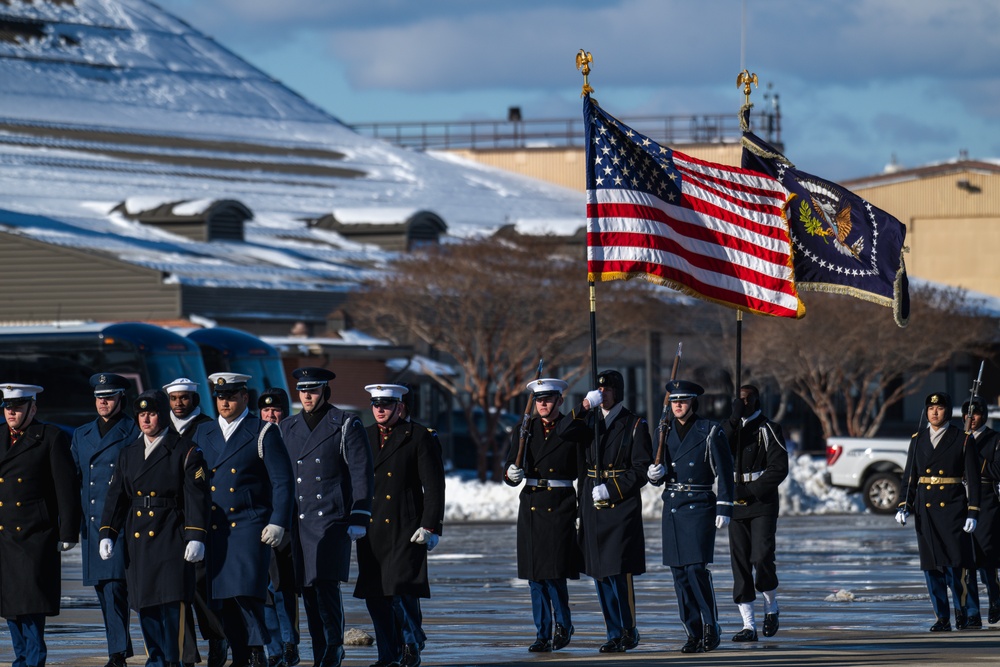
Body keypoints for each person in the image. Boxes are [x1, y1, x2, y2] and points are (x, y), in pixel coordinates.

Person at [99, 390, 211, 667]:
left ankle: (175, 659)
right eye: (141, 414)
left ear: (162, 415)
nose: (145, 419)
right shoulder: (129, 452)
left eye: (151, 413)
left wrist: (196, 535)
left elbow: (197, 497)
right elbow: (117, 497)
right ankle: (157, 659)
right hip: (139, 539)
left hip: (171, 534)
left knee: (172, 603)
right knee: (145, 604)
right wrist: (107, 533)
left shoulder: (185, 449)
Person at [193, 373, 295, 667]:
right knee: (221, 598)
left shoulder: (262, 431)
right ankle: (240, 652)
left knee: (246, 592)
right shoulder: (204, 433)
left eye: (232, 396)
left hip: (249, 525)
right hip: (215, 527)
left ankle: (256, 650)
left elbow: (283, 481)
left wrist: (278, 521)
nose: (225, 402)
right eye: (221, 397)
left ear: (244, 398)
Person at [280, 367, 373, 667]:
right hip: (299, 519)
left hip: (331, 518)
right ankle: (321, 647)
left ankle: (333, 646)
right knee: (306, 589)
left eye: (314, 390)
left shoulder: (345, 423)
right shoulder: (288, 427)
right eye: (303, 390)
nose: (308, 396)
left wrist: (359, 513)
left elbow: (361, 471)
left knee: (325, 585)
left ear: (325, 391)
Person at [355, 383, 445, 667]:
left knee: (400, 592)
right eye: (375, 404)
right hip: (372, 528)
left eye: (386, 404)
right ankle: (387, 653)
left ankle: (409, 645)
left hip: (405, 528)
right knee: (375, 595)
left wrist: (430, 525)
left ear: (399, 406)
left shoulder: (418, 436)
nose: (379, 409)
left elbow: (433, 486)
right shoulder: (364, 436)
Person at [563, 369, 651, 653]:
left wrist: (612, 489)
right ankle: (613, 632)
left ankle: (628, 629)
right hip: (591, 500)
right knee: (599, 572)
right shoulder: (589, 420)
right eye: (599, 390)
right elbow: (564, 430)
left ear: (619, 392)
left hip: (620, 504)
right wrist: (584, 405)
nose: (603, 394)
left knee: (618, 570)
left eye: (608, 390)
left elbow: (641, 471)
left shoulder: (635, 424)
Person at [646, 380, 734, 653]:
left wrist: (724, 506)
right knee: (679, 574)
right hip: (673, 505)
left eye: (683, 401)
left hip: (699, 505)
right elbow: (658, 468)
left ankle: (711, 625)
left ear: (693, 402)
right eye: (674, 401)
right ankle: (692, 631)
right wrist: (653, 475)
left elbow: (725, 472)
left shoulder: (709, 431)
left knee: (696, 569)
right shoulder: (664, 430)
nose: (678, 405)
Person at [502, 378, 587, 653]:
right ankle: (542, 632)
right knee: (534, 575)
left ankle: (563, 623)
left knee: (554, 572)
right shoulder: (524, 429)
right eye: (539, 400)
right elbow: (510, 465)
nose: (543, 404)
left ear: (560, 401)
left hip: (560, 504)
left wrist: (581, 510)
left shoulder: (573, 430)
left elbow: (583, 473)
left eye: (548, 399)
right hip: (531, 504)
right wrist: (510, 474)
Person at [0, 383, 80, 667]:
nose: (12, 413)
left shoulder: (49, 437)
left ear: (32, 408)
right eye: (8, 407)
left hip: (35, 533)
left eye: (18, 407)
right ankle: (21, 658)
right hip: (4, 533)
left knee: (31, 602)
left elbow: (66, 487)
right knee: (10, 603)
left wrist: (69, 530)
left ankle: (33, 660)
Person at [896, 391, 980, 631]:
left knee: (957, 565)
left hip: (953, 509)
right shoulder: (918, 438)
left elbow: (972, 480)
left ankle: (966, 612)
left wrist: (973, 512)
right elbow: (910, 476)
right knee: (932, 566)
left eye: (940, 408)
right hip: (926, 511)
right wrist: (904, 504)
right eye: (930, 408)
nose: (934, 412)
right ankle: (942, 617)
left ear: (948, 411)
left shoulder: (962, 438)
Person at [70, 373, 139, 667]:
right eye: (99, 397)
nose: (103, 402)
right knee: (105, 589)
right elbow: (74, 480)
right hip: (94, 524)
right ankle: (119, 648)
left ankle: (119, 653)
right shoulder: (81, 434)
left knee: (117, 589)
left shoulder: (133, 430)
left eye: (109, 397)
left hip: (123, 523)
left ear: (121, 397)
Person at [164, 377, 227, 667]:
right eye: (174, 398)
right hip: (168, 519)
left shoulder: (208, 426)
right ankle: (185, 653)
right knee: (175, 590)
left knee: (202, 586)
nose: (179, 403)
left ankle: (218, 638)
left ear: (195, 399)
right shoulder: (161, 427)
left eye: (184, 398)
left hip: (200, 515)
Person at [722, 384, 789, 642]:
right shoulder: (731, 427)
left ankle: (771, 606)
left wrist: (749, 491)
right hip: (735, 503)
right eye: (739, 400)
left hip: (761, 501)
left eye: (748, 400)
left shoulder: (769, 428)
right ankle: (748, 625)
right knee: (739, 563)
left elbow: (778, 468)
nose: (744, 404)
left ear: (757, 401)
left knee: (761, 557)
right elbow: (715, 446)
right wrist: (732, 419)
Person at [257, 388, 301, 667]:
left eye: (276, 410)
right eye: (266, 410)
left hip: (287, 523)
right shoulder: (255, 437)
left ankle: (289, 643)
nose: (271, 415)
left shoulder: (293, 438)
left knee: (283, 587)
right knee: (263, 590)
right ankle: (272, 647)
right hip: (259, 523)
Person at [965, 397, 1000, 625]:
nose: (972, 419)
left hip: (987, 505)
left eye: (976, 414)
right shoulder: (958, 439)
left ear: (984, 415)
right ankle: (972, 613)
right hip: (962, 503)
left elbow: (997, 471)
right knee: (966, 562)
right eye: (968, 415)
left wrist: (973, 454)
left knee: (986, 558)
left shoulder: (994, 439)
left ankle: (996, 600)